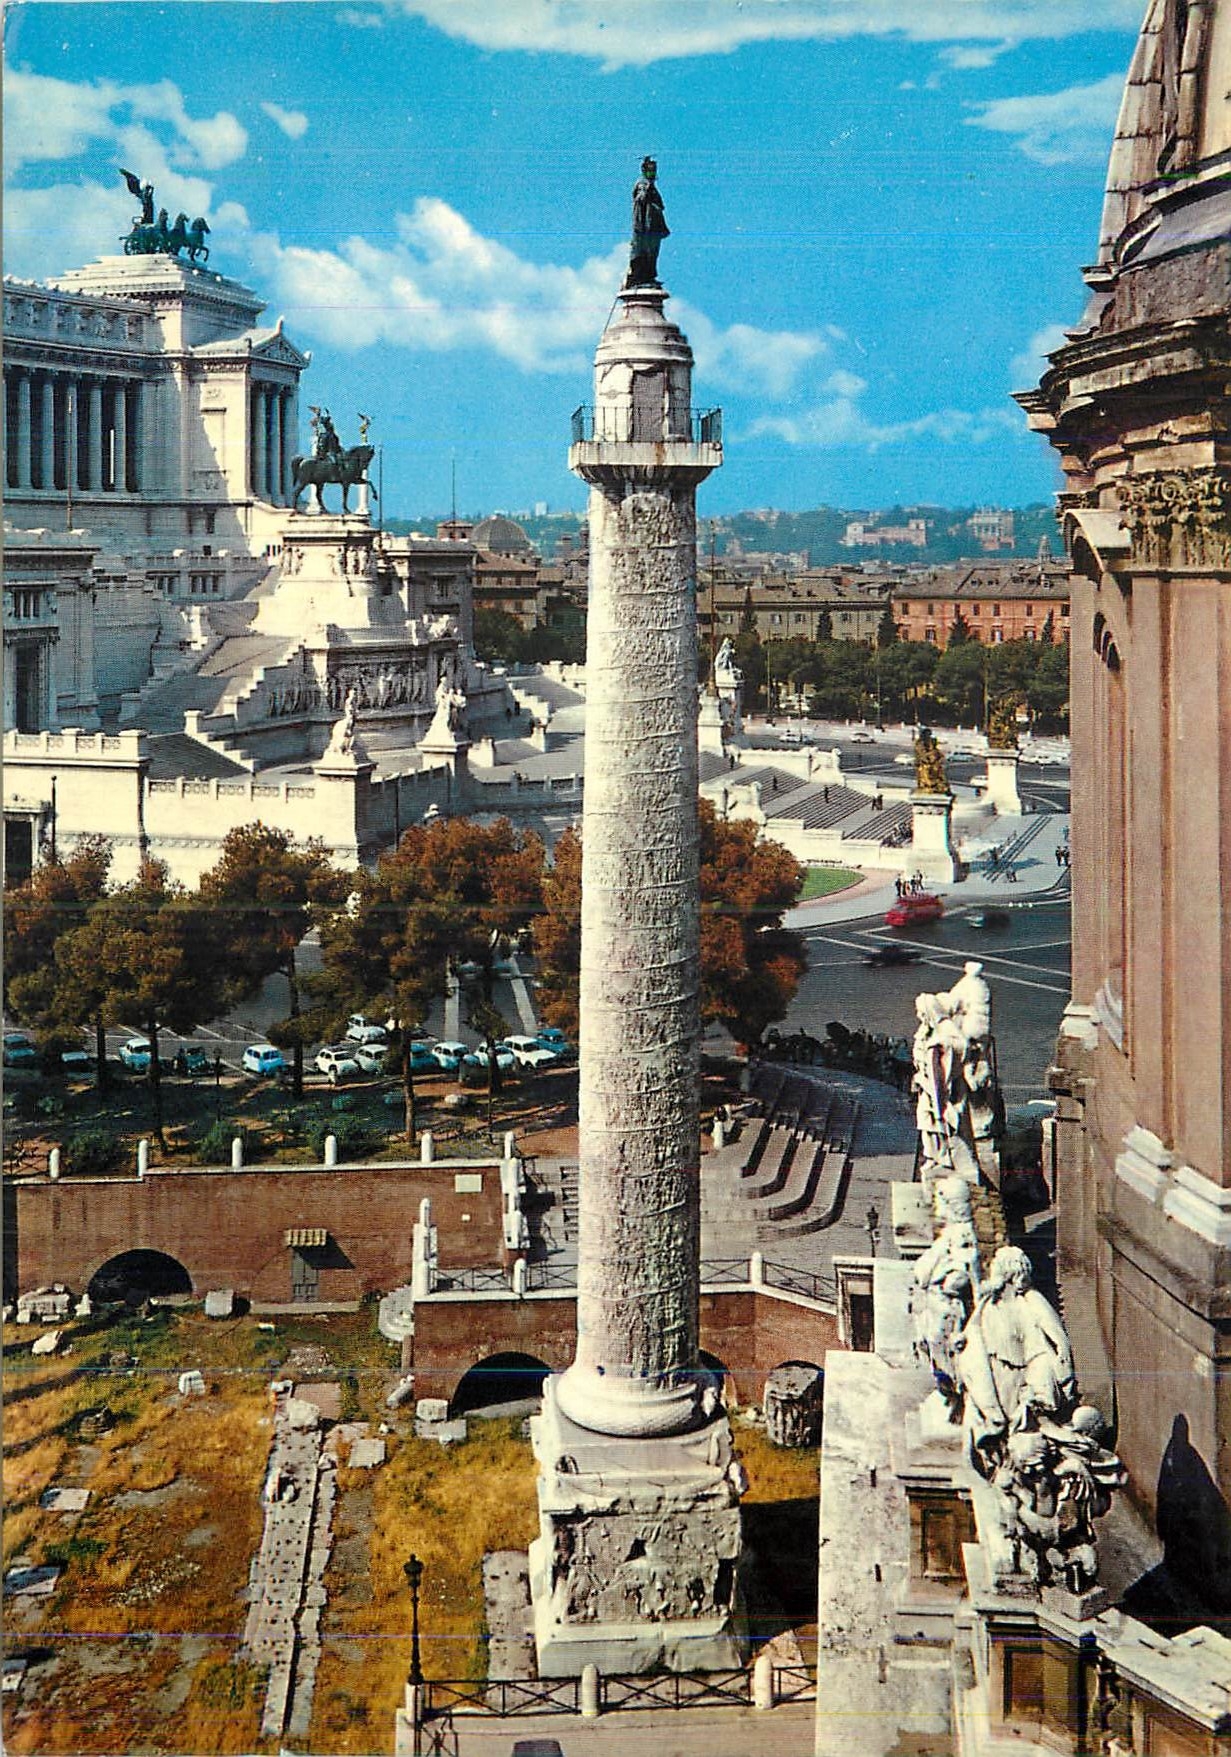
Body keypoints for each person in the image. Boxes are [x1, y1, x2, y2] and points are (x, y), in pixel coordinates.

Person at [626, 156, 669, 287]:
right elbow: (641, 199)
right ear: (644, 170)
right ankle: (639, 277)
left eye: (654, 170)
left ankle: (649, 276)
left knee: (652, 253)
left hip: (654, 227)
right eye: (650, 170)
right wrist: (648, 187)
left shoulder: (653, 187)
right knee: (642, 251)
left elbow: (660, 205)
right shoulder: (641, 184)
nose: (653, 173)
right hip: (644, 227)